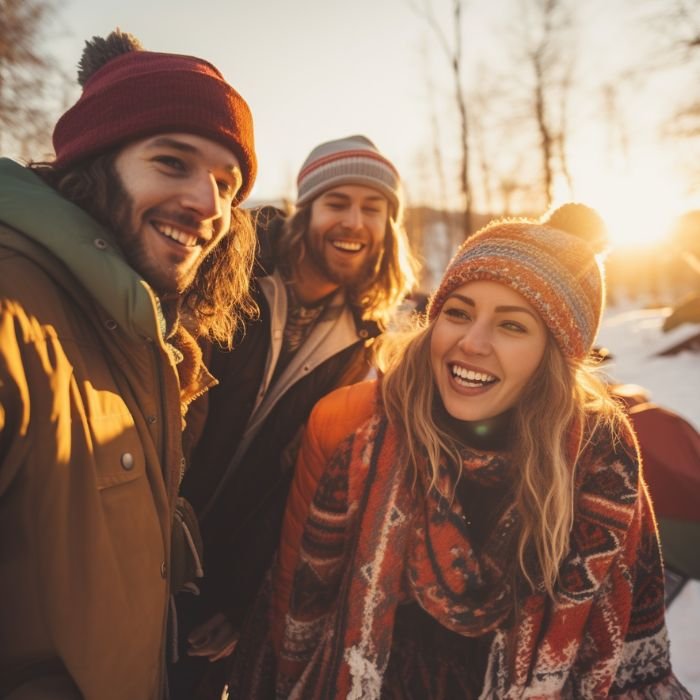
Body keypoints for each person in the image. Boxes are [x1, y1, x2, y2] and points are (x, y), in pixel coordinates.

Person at [228, 204, 690, 699]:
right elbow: (295, 603)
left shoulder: (600, 469)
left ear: (554, 355)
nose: (471, 342)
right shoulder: (357, 430)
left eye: (512, 325)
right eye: (458, 313)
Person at [0, 29, 257, 700]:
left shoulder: (140, 336)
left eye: (227, 185)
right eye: (172, 162)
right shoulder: (13, 310)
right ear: (93, 164)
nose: (209, 205)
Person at [173, 135, 418, 696]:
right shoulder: (228, 267)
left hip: (208, 589)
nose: (355, 221)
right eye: (337, 203)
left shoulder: (364, 342)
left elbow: (295, 485)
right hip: (130, 535)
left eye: (374, 208)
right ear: (305, 209)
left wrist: (239, 600)